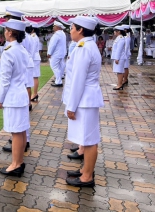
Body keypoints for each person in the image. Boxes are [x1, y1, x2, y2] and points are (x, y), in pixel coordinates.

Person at [64, 16, 104, 188]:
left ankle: (87, 176)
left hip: (84, 100)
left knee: (88, 139)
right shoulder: (88, 45)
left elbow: (78, 81)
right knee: (87, 138)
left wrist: (71, 107)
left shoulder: (83, 48)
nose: (70, 30)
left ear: (80, 30)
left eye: (72, 27)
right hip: (87, 98)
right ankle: (85, 170)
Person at [0, 19, 30, 177]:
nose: (4, 32)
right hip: (21, 94)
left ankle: (16, 164)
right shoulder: (21, 49)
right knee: (21, 131)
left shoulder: (9, 51)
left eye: (6, 29)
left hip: (13, 96)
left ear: (10, 32)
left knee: (16, 133)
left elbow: (5, 80)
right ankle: (19, 161)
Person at [47, 21, 67, 87]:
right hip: (61, 53)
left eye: (54, 26)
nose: (53, 27)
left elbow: (52, 45)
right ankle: (59, 78)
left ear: (57, 27)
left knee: (54, 67)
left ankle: (58, 81)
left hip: (56, 54)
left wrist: (49, 53)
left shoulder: (56, 35)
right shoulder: (62, 33)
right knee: (60, 66)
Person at [111, 26, 126, 90]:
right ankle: (119, 83)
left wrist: (117, 58)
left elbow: (119, 50)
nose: (114, 32)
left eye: (115, 31)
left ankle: (120, 84)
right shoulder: (118, 38)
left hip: (120, 58)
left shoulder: (121, 38)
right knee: (118, 71)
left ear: (119, 32)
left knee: (119, 71)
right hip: (118, 57)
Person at [30, 25, 41, 103]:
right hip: (35, 58)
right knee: (34, 76)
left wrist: (30, 59)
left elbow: (32, 50)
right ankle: (34, 93)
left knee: (35, 77)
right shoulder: (34, 36)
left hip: (34, 59)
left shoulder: (33, 37)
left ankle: (34, 93)